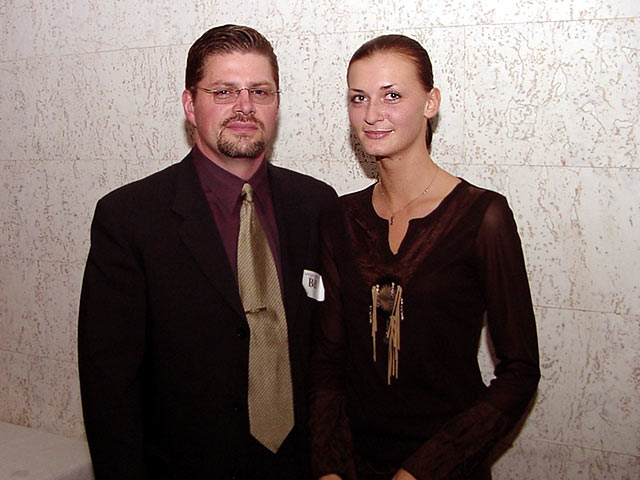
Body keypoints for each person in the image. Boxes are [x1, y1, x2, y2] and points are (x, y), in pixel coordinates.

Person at [78, 24, 337, 480]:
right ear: (189, 106)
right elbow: (109, 387)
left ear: (277, 103)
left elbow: (332, 355)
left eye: (260, 91)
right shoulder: (130, 218)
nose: (245, 106)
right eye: (223, 92)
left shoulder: (317, 204)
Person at [309, 34, 540, 480]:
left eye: (392, 96)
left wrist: (422, 471)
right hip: (353, 463)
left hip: (445, 466)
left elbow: (520, 371)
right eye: (359, 98)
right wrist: (329, 466)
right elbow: (327, 359)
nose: (372, 114)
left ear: (430, 102)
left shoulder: (483, 216)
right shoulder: (340, 217)